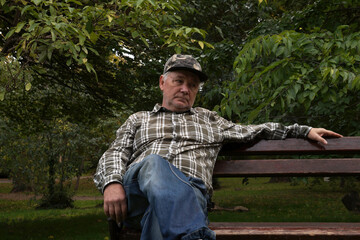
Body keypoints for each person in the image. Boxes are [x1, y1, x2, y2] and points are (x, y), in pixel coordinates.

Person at [94, 54, 342, 240]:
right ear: (162, 82)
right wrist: (112, 183)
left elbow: (256, 129)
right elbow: (115, 152)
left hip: (189, 196)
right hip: (136, 193)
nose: (185, 89)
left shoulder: (211, 120)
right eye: (179, 81)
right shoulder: (139, 119)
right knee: (155, 163)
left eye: (192, 85)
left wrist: (302, 130)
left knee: (162, 214)